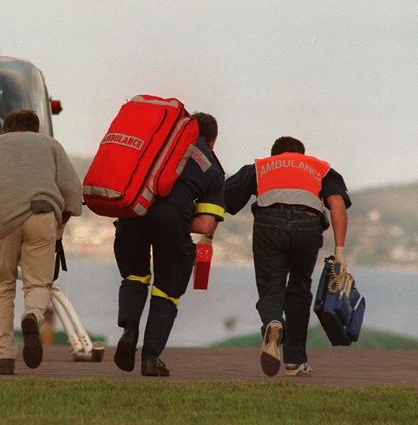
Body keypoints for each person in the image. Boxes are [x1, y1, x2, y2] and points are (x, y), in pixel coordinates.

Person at [0, 109, 82, 375]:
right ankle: (33, 316)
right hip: (42, 215)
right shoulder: (50, 145)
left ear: (6, 129)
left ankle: (5, 357)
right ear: (36, 129)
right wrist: (60, 224)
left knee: (1, 285)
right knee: (38, 283)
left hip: (2, 218)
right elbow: (73, 191)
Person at [225, 136, 351, 377]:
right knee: (300, 288)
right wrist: (340, 251)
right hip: (308, 225)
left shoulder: (261, 166)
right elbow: (336, 202)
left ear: (275, 155)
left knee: (271, 287)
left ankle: (273, 322)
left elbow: (222, 197)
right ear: (302, 155)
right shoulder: (319, 167)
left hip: (269, 224)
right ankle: (295, 361)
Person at [113, 112, 225, 377]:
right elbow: (206, 225)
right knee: (167, 289)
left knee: (135, 274)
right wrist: (178, 217)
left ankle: (129, 329)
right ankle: (151, 358)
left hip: (134, 212)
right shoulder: (213, 167)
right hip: (173, 219)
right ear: (213, 141)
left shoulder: (158, 142)